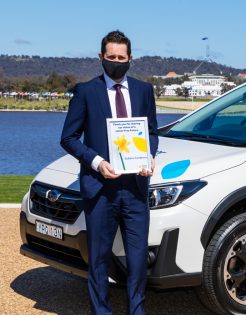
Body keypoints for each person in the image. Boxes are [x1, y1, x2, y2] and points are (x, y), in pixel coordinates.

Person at [60, 30, 158, 315]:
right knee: (99, 260)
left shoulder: (144, 91)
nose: (116, 61)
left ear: (131, 59)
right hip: (100, 190)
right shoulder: (86, 92)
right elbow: (68, 138)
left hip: (136, 189)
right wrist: (96, 162)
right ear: (101, 57)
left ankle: (136, 311)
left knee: (138, 260)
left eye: (121, 57)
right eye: (111, 57)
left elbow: (151, 132)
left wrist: (149, 155)